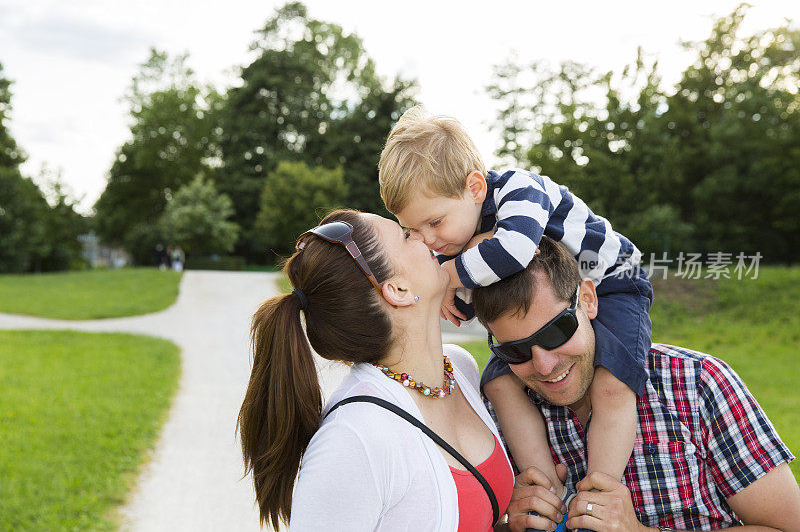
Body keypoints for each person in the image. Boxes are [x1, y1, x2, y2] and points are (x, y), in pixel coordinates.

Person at [378, 106, 650, 521]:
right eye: (415, 231)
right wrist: (462, 296)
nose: (429, 240)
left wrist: (452, 275)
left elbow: (516, 251)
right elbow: (492, 294)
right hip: (558, 286)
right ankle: (545, 490)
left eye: (434, 222)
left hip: (612, 279)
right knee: (501, 384)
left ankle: (598, 495)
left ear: (474, 187)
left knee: (613, 383)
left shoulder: (519, 190)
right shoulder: (465, 233)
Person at [471, 236, 800, 531]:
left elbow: (787, 526)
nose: (544, 365)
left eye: (556, 331)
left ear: (587, 299)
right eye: (514, 351)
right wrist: (504, 521)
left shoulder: (697, 383)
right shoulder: (494, 415)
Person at [237, 209, 515, 531]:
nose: (424, 236)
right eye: (406, 235)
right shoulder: (352, 438)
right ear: (397, 290)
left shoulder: (459, 369)